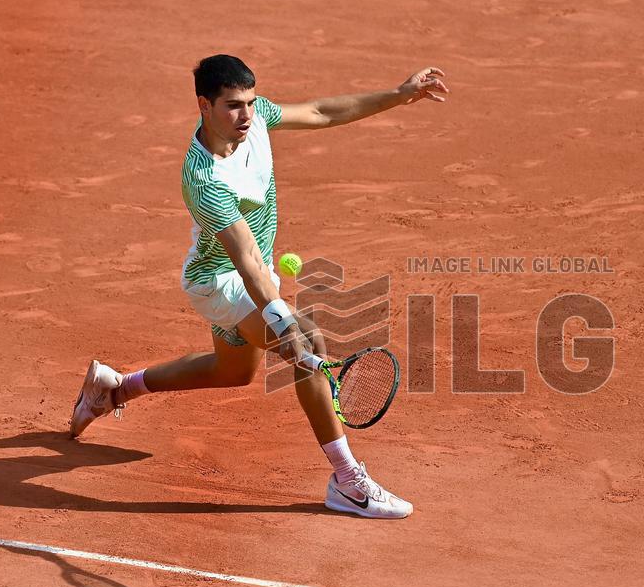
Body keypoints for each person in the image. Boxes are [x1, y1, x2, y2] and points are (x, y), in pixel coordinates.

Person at [69, 54, 449, 519]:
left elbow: (323, 112)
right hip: (220, 281)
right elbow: (244, 259)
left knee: (231, 372)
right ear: (203, 106)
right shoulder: (205, 178)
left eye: (249, 102)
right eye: (233, 106)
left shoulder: (258, 118)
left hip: (254, 274)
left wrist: (397, 94)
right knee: (308, 342)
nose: (246, 115)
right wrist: (281, 318)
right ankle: (348, 482)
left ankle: (115, 388)